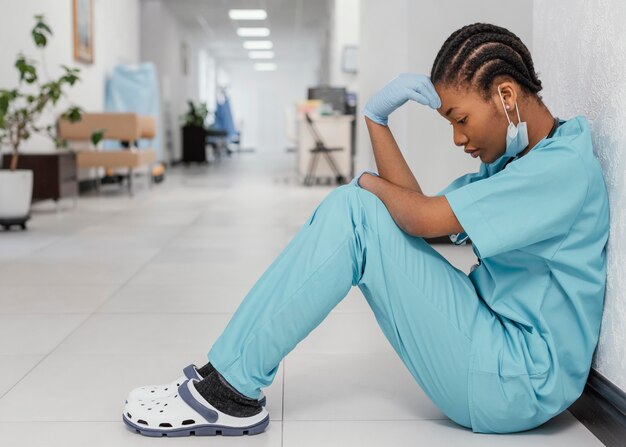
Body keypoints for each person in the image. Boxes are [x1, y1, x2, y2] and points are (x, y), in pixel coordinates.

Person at [122, 22, 609, 437]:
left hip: (516, 379)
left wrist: (367, 182)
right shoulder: (524, 159)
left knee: (357, 208)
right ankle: (226, 377)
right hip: (497, 346)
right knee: (359, 208)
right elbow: (419, 218)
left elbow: (420, 217)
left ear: (505, 94)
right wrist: (377, 120)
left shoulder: (556, 169)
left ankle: (226, 389)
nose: (458, 138)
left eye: (460, 119)